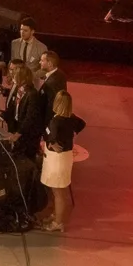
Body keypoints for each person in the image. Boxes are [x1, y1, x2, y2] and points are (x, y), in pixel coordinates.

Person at [38, 90, 85, 233]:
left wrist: (52, 142)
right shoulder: (71, 118)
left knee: (58, 192)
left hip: (56, 159)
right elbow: (82, 124)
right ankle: (56, 215)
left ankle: (58, 222)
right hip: (66, 157)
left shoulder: (56, 120)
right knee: (60, 189)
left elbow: (49, 134)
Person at [0, 63, 48, 161]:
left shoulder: (32, 94)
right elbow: (11, 109)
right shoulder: (18, 89)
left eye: (15, 76)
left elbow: (30, 118)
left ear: (22, 78)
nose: (13, 79)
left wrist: (17, 134)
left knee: (27, 160)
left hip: (29, 134)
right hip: (19, 129)